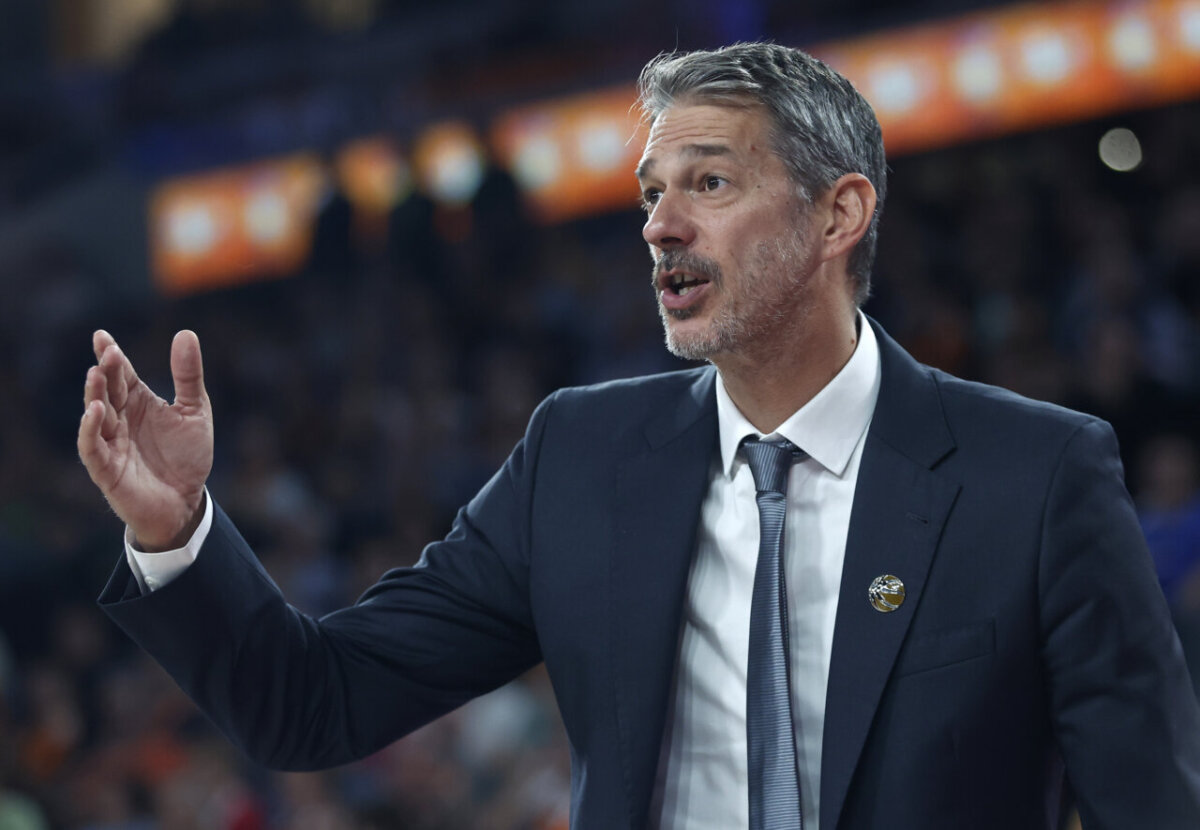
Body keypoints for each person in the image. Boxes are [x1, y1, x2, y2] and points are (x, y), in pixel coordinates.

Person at [78, 43, 1200, 829]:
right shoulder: (580, 457)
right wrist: (177, 531)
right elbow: (311, 702)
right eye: (652, 189)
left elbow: (1150, 807)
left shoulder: (1036, 475)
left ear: (837, 213)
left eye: (709, 181)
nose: (661, 222)